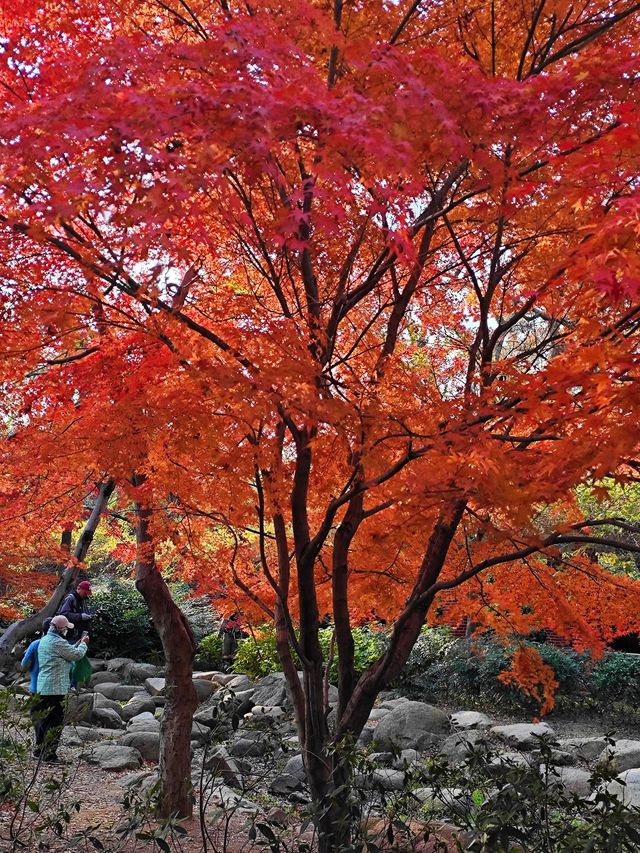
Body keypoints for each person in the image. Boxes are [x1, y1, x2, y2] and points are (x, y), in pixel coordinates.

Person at [32, 614, 89, 764]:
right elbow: (76, 655)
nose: (67, 630)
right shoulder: (57, 642)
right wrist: (83, 644)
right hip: (55, 688)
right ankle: (50, 755)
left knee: (43, 720)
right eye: (66, 628)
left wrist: (75, 645)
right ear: (60, 629)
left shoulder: (45, 639)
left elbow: (66, 652)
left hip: (43, 686)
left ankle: (38, 751)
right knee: (55, 722)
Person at [21, 617, 52, 694]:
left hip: (35, 685)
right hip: (54, 688)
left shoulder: (35, 644)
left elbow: (24, 663)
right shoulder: (60, 644)